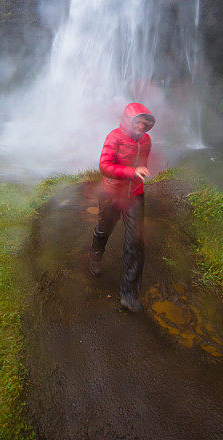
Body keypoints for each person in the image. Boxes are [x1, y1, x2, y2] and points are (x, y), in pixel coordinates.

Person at [89, 102, 155, 313]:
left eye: (146, 124)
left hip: (135, 195)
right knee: (104, 229)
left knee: (135, 242)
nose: (142, 127)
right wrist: (132, 171)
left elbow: (141, 165)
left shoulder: (146, 140)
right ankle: (96, 253)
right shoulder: (114, 137)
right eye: (139, 122)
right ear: (129, 120)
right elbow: (104, 166)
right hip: (112, 194)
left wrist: (140, 172)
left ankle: (129, 294)